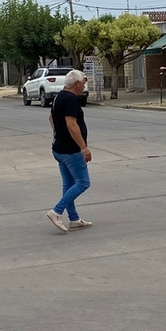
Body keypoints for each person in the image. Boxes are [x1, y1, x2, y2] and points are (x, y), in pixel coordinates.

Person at [46, 70, 93, 233]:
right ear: (77, 84)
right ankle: (56, 211)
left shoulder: (59, 96)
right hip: (71, 150)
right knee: (83, 182)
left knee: (69, 183)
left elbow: (51, 118)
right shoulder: (71, 99)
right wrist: (83, 147)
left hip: (58, 148)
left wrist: (59, 132)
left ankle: (74, 219)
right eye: (83, 83)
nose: (85, 85)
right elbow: (72, 123)